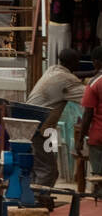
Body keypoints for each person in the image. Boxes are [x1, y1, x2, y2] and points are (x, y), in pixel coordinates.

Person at [26, 48, 85, 192]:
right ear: (74, 63)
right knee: (48, 169)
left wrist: (93, 74)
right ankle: (38, 202)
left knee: (38, 167)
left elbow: (72, 77)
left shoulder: (52, 70)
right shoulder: (68, 80)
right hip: (40, 128)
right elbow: (89, 97)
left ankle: (33, 198)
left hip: (33, 126)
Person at [79, 47, 102, 194]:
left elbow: (88, 114)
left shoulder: (94, 83)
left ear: (96, 62)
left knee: (99, 178)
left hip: (99, 136)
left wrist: (80, 138)